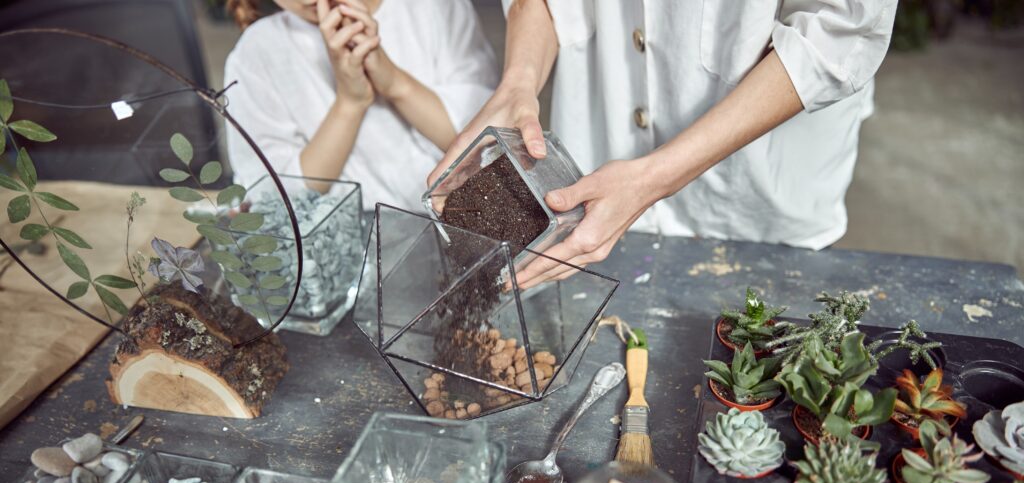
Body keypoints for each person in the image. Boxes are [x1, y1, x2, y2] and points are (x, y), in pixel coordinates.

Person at [430, 1, 898, 288]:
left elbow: (841, 29)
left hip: (760, 180)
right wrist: (519, 81)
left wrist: (653, 177)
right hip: (603, 151)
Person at [224, 0, 498, 209]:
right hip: (356, 250)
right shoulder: (255, 54)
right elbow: (275, 197)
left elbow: (491, 142)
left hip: (468, 213)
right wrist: (350, 103)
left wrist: (393, 82)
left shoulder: (433, 7)